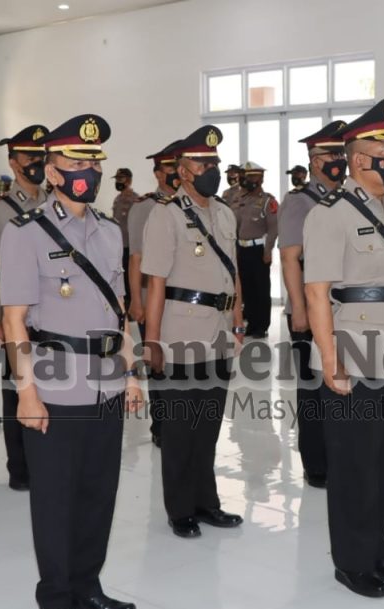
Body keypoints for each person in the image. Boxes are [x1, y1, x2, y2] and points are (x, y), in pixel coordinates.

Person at [0, 114, 142, 609]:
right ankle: (56, 596)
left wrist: (129, 372)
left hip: (107, 379)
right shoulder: (24, 233)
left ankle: (88, 584)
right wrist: (25, 392)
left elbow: (121, 309)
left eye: (94, 161)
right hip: (54, 384)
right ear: (51, 169)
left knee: (98, 492)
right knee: (56, 498)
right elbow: (13, 319)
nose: (87, 169)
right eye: (76, 161)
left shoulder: (109, 230)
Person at [303, 98, 384, 598]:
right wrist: (330, 362)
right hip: (354, 353)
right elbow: (316, 292)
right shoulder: (329, 215)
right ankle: (352, 562)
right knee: (355, 465)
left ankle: (378, 550)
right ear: (359, 160)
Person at [141, 124, 245, 539]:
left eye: (215, 163)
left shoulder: (224, 212)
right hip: (180, 332)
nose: (211, 169)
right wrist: (151, 342)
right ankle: (180, 508)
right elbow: (156, 284)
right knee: (181, 431)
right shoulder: (165, 215)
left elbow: (232, 270)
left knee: (208, 426)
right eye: (202, 163)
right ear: (181, 170)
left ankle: (207, 502)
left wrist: (238, 315)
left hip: (218, 331)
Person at [277, 120, 347, 489]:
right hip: (309, 308)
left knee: (338, 382)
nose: (338, 160)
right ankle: (316, 463)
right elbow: (291, 257)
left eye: (341, 153)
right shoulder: (299, 202)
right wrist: (299, 310)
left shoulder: (347, 199)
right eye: (330, 155)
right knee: (312, 389)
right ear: (314, 161)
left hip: (340, 308)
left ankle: (339, 454)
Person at [0, 124, 49, 491]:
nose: (36, 162)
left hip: (52, 316)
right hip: (14, 317)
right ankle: (20, 468)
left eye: (41, 155)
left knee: (51, 386)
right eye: (29, 156)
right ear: (13, 162)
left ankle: (47, 461)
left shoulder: (58, 203)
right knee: (16, 391)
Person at [127, 139, 182, 448]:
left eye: (178, 166)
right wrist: (136, 301)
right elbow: (135, 258)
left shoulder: (193, 205)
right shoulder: (145, 207)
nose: (175, 173)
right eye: (169, 168)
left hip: (184, 302)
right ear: (158, 173)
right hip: (152, 297)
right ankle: (161, 424)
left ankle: (179, 418)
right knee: (157, 363)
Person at [232, 162, 278, 339]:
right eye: (247, 176)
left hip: (258, 250)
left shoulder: (268, 201)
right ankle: (251, 322)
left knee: (261, 289)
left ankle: (262, 325)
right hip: (241, 249)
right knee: (247, 289)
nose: (248, 180)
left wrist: (268, 251)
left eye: (252, 177)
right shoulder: (240, 200)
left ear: (261, 179)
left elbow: (274, 228)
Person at [112, 168, 141, 308]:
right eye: (117, 179)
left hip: (130, 246)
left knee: (130, 278)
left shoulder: (135, 200)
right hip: (119, 246)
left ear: (129, 180)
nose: (118, 182)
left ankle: (132, 306)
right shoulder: (117, 199)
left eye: (121, 179)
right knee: (120, 277)